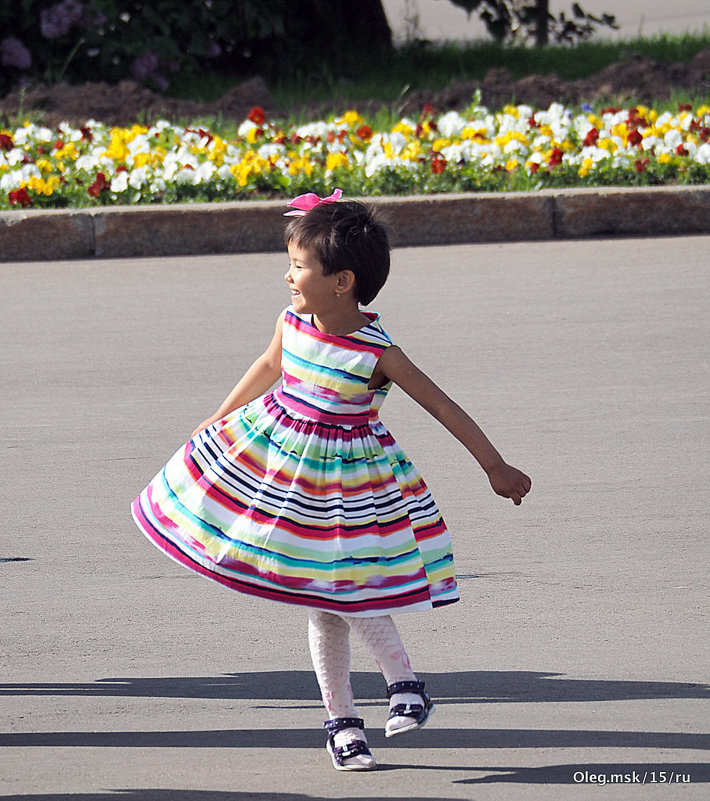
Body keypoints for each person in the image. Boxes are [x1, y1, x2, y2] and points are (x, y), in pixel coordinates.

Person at [131, 189, 531, 772]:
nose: (287, 277)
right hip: (283, 474)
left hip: (350, 489)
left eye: (297, 266)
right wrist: (220, 414)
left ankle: (402, 685)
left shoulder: (378, 351)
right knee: (321, 597)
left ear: (341, 280)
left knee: (340, 593)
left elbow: (442, 407)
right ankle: (346, 722)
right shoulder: (292, 322)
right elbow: (270, 366)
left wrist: (493, 465)